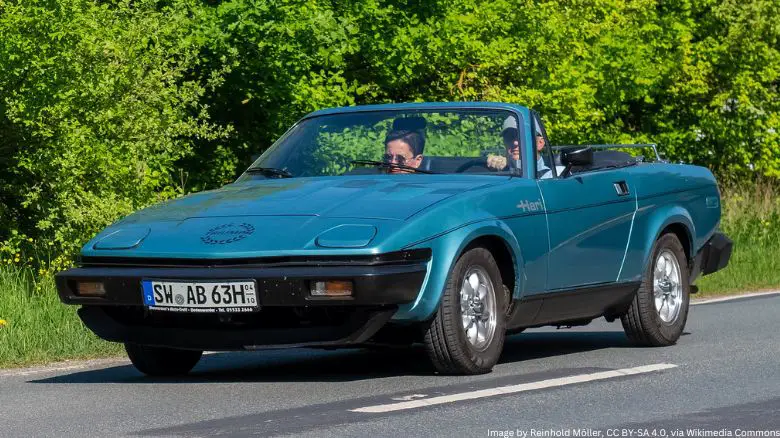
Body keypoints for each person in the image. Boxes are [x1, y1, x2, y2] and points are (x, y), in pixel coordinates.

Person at [487, 115, 552, 178]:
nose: (515, 143)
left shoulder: (552, 175)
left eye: (522, 137)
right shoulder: (495, 169)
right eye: (510, 136)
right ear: (504, 142)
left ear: (540, 143)